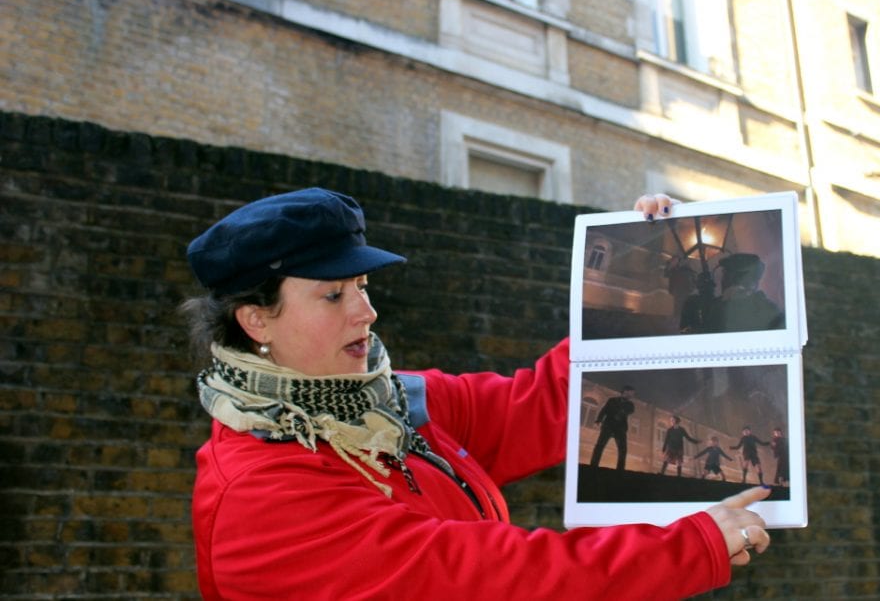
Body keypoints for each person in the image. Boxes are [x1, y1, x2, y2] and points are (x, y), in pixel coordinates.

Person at [182, 187, 771, 599]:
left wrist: (644, 271)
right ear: (257, 319)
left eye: (361, 285)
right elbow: (494, 579)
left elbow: (545, 404)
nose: (367, 310)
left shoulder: (397, 400)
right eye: (334, 295)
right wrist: (684, 549)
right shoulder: (261, 496)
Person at [710, 253, 785, 332]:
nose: (722, 280)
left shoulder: (767, 310)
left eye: (726, 274)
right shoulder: (769, 309)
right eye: (724, 274)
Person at [588, 384, 635, 471]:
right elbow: (604, 410)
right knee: (599, 446)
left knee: (622, 449)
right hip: (608, 426)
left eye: (632, 394)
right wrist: (599, 420)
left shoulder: (630, 404)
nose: (631, 395)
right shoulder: (612, 400)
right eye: (631, 393)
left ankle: (620, 469)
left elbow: (630, 410)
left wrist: (622, 412)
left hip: (620, 429)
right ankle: (593, 466)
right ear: (625, 392)